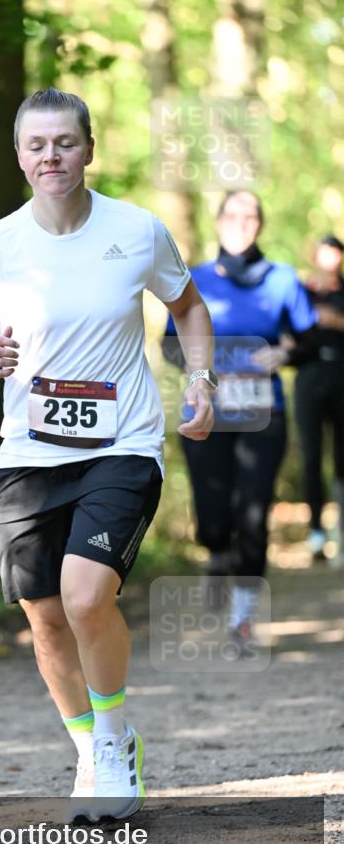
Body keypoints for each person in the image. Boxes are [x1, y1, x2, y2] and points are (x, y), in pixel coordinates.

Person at [0, 87, 215, 821]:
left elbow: (186, 307)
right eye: (36, 145)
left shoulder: (137, 229)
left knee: (86, 595)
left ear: (88, 149)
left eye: (64, 142)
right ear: (20, 156)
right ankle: (88, 747)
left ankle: (118, 742)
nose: (50, 156)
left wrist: (201, 379)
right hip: (27, 457)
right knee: (44, 617)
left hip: (121, 445)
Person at [164, 190, 318, 648]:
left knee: (253, 513)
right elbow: (168, 344)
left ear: (260, 224)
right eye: (233, 215)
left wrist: (284, 351)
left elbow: (310, 341)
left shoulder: (283, 279)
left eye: (251, 216)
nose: (242, 223)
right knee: (214, 514)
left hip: (261, 413)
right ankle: (216, 551)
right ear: (218, 222)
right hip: (205, 412)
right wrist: (205, 371)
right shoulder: (194, 279)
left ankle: (243, 617)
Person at [294, 236, 344, 562]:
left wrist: (336, 321)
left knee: (342, 459)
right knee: (311, 457)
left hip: (341, 376)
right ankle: (316, 533)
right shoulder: (301, 292)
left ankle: (341, 531)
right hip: (309, 378)